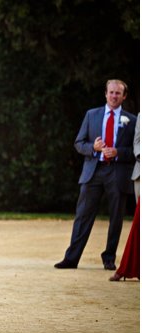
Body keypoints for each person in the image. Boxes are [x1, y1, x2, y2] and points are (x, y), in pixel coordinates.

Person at [55, 80, 137, 270]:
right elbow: (78, 143)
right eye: (111, 92)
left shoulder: (132, 120)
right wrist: (94, 147)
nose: (114, 96)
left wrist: (118, 152)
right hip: (93, 172)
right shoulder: (91, 115)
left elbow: (135, 150)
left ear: (124, 96)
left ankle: (109, 258)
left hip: (117, 173)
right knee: (82, 215)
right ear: (105, 94)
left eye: (118, 93)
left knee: (116, 217)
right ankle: (71, 258)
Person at [110, 113, 140, 281]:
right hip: (140, 173)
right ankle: (130, 267)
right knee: (139, 223)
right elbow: (137, 141)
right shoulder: (141, 116)